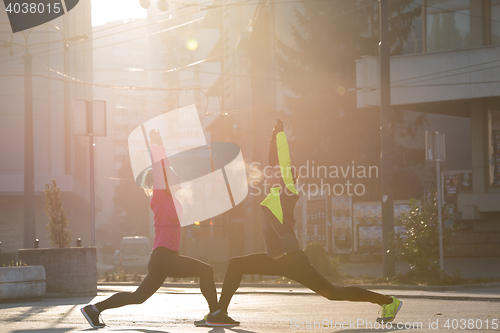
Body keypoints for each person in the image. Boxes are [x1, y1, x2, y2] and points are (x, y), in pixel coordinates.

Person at [207, 119, 402, 327]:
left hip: (293, 259)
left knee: (333, 293)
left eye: (275, 172)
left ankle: (388, 302)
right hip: (275, 259)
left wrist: (280, 134)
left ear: (285, 178)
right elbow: (274, 160)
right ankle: (219, 313)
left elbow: (283, 161)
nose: (269, 172)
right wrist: (272, 138)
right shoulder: (274, 194)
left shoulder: (287, 193)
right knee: (236, 264)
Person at [81, 129, 233, 328]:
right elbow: (161, 168)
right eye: (173, 176)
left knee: (138, 297)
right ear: (164, 181)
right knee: (206, 270)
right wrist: (156, 145)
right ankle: (215, 313)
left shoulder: (170, 199)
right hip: (164, 257)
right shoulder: (160, 197)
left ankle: (93, 310)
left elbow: (166, 170)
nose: (178, 177)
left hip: (162, 259)